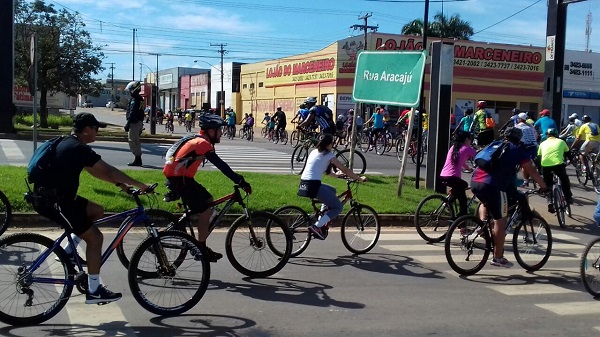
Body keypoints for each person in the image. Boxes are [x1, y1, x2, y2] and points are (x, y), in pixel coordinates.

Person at [31, 112, 151, 304]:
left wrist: (122, 186)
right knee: (95, 238)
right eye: (96, 129)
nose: (97, 133)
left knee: (96, 211)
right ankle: (94, 290)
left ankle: (68, 251)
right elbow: (110, 170)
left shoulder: (69, 143)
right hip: (55, 201)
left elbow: (97, 171)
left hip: (53, 196)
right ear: (87, 130)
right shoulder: (78, 149)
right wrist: (141, 184)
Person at [163, 114, 251, 262]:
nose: (221, 133)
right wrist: (240, 181)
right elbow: (221, 165)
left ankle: (181, 226)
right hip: (181, 179)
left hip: (181, 177)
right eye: (219, 130)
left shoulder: (196, 138)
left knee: (208, 200)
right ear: (211, 131)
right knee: (205, 211)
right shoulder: (203, 144)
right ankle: (200, 248)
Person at [470, 127, 547, 268]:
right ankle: (498, 257)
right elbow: (531, 170)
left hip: (475, 182)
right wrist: (544, 187)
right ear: (519, 138)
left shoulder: (494, 144)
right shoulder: (516, 149)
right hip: (493, 186)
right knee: (501, 220)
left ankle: (483, 226)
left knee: (489, 204)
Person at [297, 134, 367, 240]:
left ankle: (321, 219)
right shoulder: (329, 154)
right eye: (332, 143)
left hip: (304, 183)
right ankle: (317, 226)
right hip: (313, 185)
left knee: (332, 190)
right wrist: (359, 178)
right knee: (338, 207)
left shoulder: (314, 152)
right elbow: (345, 170)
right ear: (329, 144)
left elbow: (326, 172)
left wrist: (337, 175)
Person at [439, 131, 477, 216]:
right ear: (466, 139)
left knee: (461, 195)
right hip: (453, 177)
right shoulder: (466, 148)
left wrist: (469, 168)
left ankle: (459, 218)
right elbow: (479, 155)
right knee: (464, 186)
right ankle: (451, 206)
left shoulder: (454, 147)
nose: (470, 142)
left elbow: (461, 162)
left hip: (444, 175)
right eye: (470, 140)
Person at [538, 128, 573, 212]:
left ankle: (550, 201)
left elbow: (539, 158)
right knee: (564, 179)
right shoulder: (561, 141)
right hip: (558, 165)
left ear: (547, 135)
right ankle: (568, 198)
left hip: (545, 166)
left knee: (548, 185)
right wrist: (570, 161)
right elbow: (568, 153)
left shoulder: (542, 143)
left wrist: (540, 170)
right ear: (556, 134)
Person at [514, 112, 539, 187]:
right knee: (533, 162)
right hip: (534, 146)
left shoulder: (517, 127)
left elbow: (515, 138)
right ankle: (536, 177)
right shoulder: (530, 127)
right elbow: (536, 136)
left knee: (524, 163)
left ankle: (525, 181)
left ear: (520, 119)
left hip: (525, 147)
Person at [124, 81, 145, 166]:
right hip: (138, 122)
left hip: (134, 123)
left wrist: (128, 124)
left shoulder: (135, 99)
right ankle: (137, 159)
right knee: (136, 140)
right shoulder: (140, 99)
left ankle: (137, 159)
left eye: (130, 90)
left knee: (132, 141)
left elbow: (133, 112)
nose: (129, 92)